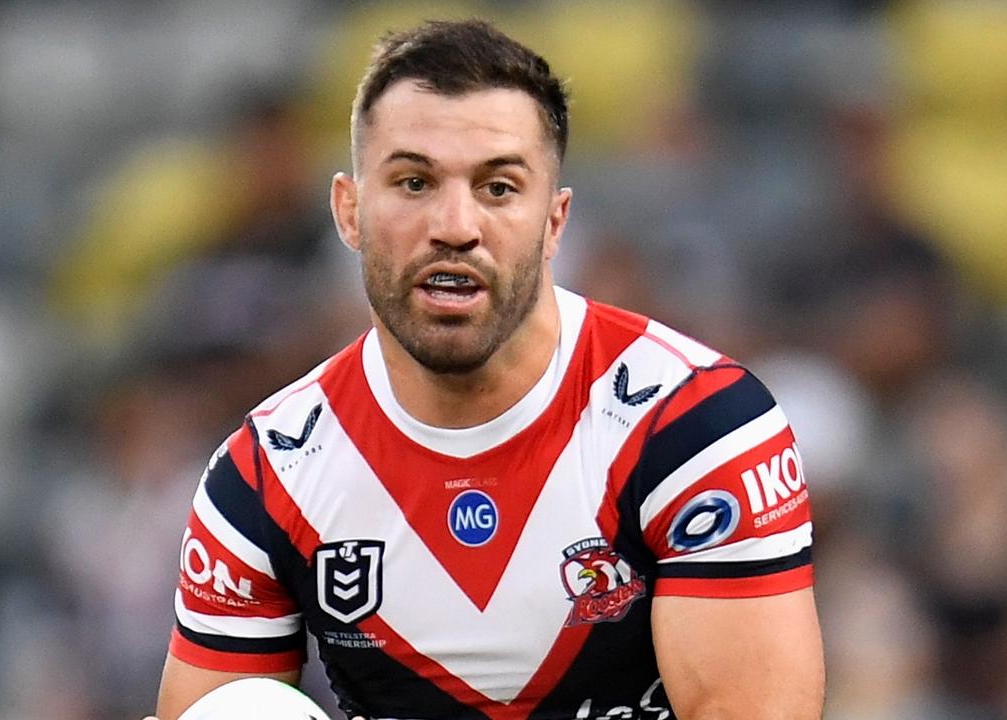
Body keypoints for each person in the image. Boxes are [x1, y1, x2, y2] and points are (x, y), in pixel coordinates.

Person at [150, 19, 824, 720]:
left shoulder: (695, 428)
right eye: (413, 182)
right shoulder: (267, 473)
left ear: (555, 223)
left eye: (499, 188)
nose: (455, 225)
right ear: (349, 212)